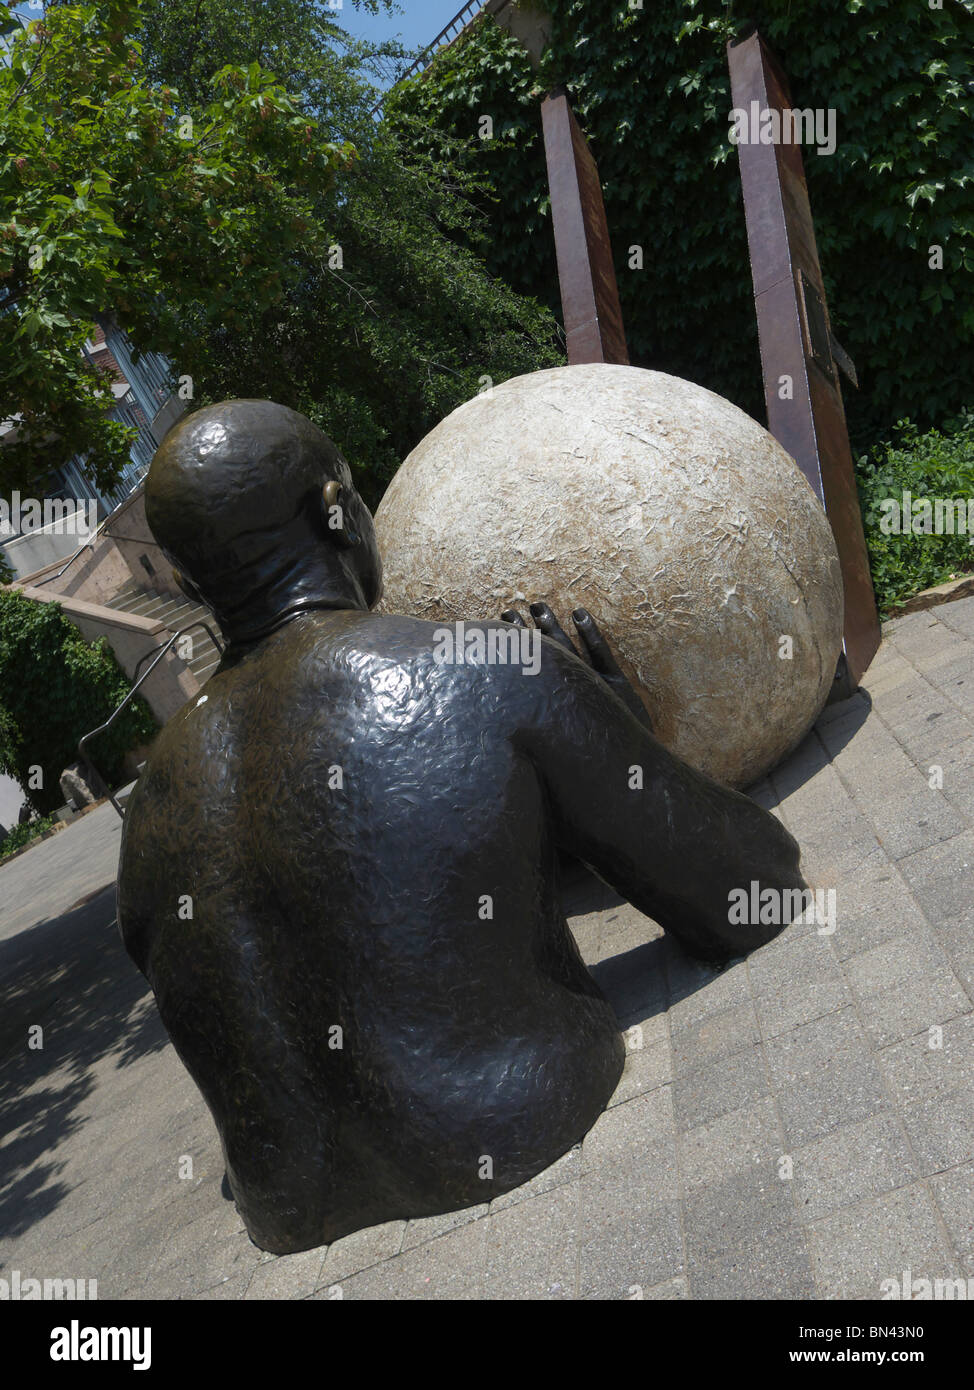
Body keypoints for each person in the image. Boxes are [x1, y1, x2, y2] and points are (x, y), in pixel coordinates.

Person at [118, 400, 805, 1254]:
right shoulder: (488, 670)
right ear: (339, 510)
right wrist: (631, 745)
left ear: (184, 583)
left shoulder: (147, 811)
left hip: (287, 1211)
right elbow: (755, 894)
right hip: (516, 1127)